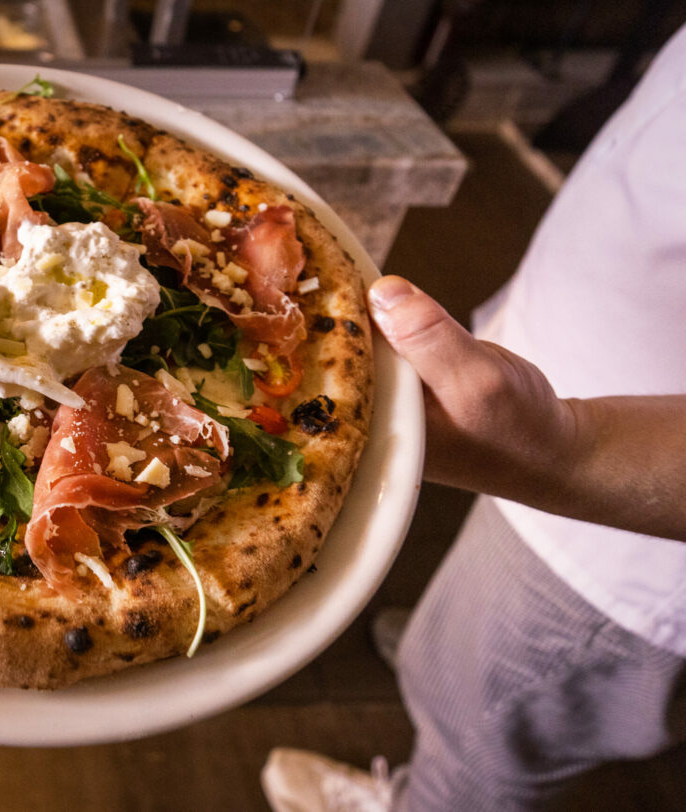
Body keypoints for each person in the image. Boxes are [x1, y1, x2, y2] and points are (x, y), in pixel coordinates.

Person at [262, 20, 686, 812]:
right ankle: (440, 641)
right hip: (564, 408)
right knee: (456, 636)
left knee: (481, 737)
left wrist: (573, 457)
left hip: (628, 535)